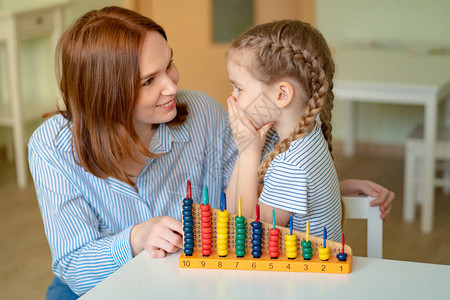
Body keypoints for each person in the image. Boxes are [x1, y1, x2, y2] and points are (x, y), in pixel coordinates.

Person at [28, 7, 393, 298]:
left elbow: (248, 200)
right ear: (106, 94)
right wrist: (136, 238)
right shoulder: (51, 147)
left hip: (188, 283)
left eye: (169, 63)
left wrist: (320, 187)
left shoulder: (200, 112)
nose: (174, 84)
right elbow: (74, 265)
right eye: (149, 81)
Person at [225, 20, 346, 241]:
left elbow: (246, 233)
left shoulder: (292, 164)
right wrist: (246, 148)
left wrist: (248, 153)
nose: (231, 98)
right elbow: (232, 208)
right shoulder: (289, 136)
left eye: (239, 88)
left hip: (305, 274)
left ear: (281, 95)